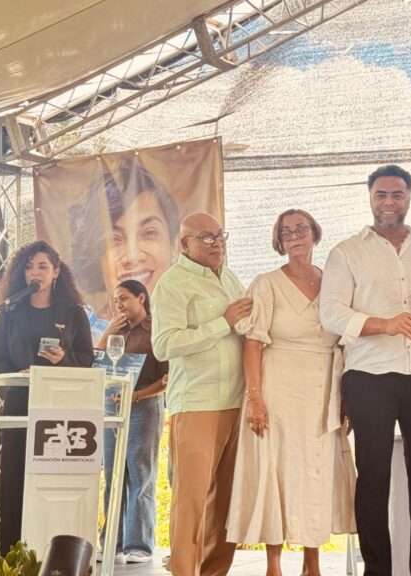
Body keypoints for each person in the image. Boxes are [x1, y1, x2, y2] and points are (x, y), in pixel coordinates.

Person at [320, 165, 411, 576]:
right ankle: (377, 570)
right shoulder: (346, 252)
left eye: (397, 194)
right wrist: (384, 324)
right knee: (373, 477)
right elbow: (331, 313)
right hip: (369, 377)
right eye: (381, 194)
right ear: (370, 198)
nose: (389, 202)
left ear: (409, 197)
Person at [227, 209, 343, 576]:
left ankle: (312, 562)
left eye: (301, 229)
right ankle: (273, 564)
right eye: (286, 232)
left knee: (316, 472)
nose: (295, 237)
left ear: (315, 234)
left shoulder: (335, 282)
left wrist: (348, 400)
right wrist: (255, 397)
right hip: (278, 389)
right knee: (274, 469)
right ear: (279, 242)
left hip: (323, 390)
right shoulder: (266, 284)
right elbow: (252, 343)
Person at [152, 213, 251, 576]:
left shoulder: (230, 277)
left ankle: (215, 571)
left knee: (227, 500)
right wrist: (222, 322)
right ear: (185, 244)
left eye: (221, 236)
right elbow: (164, 345)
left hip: (238, 402)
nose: (217, 243)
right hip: (197, 402)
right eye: (207, 238)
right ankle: (184, 570)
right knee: (191, 500)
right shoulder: (172, 284)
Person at [0, 240, 94, 555]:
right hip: (20, 404)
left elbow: (87, 358)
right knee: (15, 480)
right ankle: (12, 556)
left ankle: (58, 557)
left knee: (56, 480)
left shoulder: (73, 314)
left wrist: (64, 358)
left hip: (62, 408)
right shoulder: (10, 313)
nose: (35, 272)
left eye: (42, 266)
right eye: (29, 267)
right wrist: (18, 373)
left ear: (57, 272)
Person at [97, 279, 168, 564]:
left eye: (124, 298)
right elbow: (96, 362)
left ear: (141, 298)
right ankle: (111, 542)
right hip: (112, 405)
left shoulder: (156, 329)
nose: (119, 304)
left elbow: (165, 378)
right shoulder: (116, 330)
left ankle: (139, 544)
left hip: (144, 406)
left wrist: (136, 395)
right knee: (113, 474)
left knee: (140, 473)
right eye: (116, 300)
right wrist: (107, 333)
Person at [69, 159, 180, 337]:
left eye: (149, 233)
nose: (133, 257)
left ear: (174, 245)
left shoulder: (192, 321)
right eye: (114, 240)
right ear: (96, 258)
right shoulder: (84, 331)